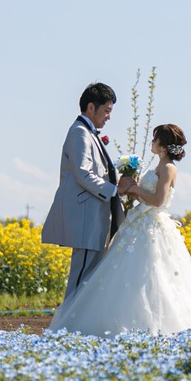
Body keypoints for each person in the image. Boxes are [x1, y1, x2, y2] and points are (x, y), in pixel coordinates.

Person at [46, 124, 191, 337]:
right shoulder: (157, 167)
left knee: (152, 274)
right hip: (140, 222)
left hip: (153, 226)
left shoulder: (168, 168)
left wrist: (135, 189)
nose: (152, 142)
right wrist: (131, 188)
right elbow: (145, 195)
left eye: (155, 139)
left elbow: (158, 200)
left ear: (163, 147)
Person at [42, 82, 130, 301]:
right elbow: (83, 174)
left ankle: (76, 327)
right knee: (81, 279)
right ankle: (66, 326)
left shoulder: (88, 133)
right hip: (85, 218)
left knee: (88, 279)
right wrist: (114, 190)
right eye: (107, 110)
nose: (109, 116)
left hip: (94, 217)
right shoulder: (80, 133)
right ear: (91, 107)